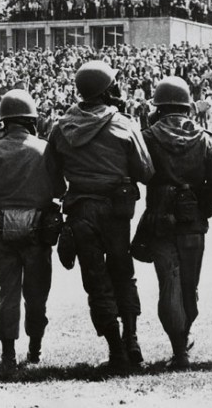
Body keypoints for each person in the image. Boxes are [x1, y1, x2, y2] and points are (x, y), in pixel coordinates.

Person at [48, 61, 154, 371]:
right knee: (123, 272)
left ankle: (115, 349)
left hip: (81, 209)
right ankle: (132, 341)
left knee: (95, 280)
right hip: (117, 210)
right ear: (107, 90)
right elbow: (146, 172)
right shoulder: (124, 124)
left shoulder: (60, 127)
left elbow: (53, 180)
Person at [134, 76, 212, 370]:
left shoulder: (147, 137)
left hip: (160, 219)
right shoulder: (206, 139)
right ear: (187, 105)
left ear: (159, 106)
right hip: (192, 223)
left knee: (169, 284)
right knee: (189, 287)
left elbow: (142, 175)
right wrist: (200, 205)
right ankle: (183, 342)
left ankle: (179, 349)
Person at [0, 90, 66, 370]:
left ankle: (7, 354)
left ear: (3, 121)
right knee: (37, 293)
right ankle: (35, 349)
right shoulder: (44, 149)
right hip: (38, 229)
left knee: (8, 292)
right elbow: (59, 190)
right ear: (31, 120)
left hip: (3, 228)